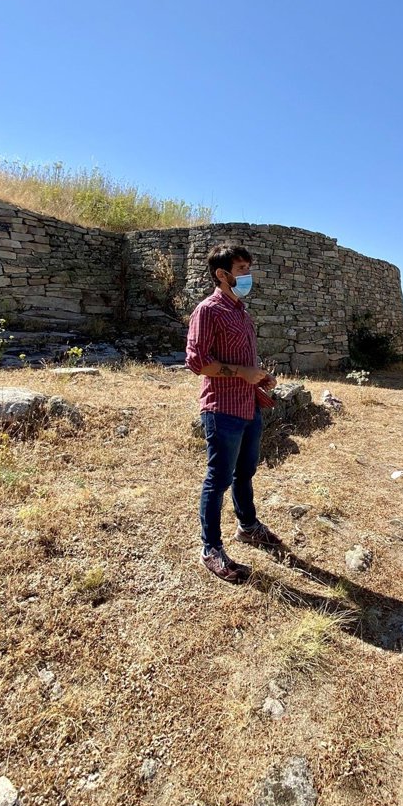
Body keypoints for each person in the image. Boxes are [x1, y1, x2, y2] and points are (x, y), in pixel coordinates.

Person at [185, 243, 284, 583]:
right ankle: (210, 549)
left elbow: (242, 360)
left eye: (248, 268)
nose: (248, 276)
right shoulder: (208, 310)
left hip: (249, 405)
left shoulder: (241, 311)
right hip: (222, 409)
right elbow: (197, 362)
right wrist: (242, 373)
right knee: (218, 480)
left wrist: (259, 376)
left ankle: (248, 526)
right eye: (242, 270)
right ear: (222, 274)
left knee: (245, 472)